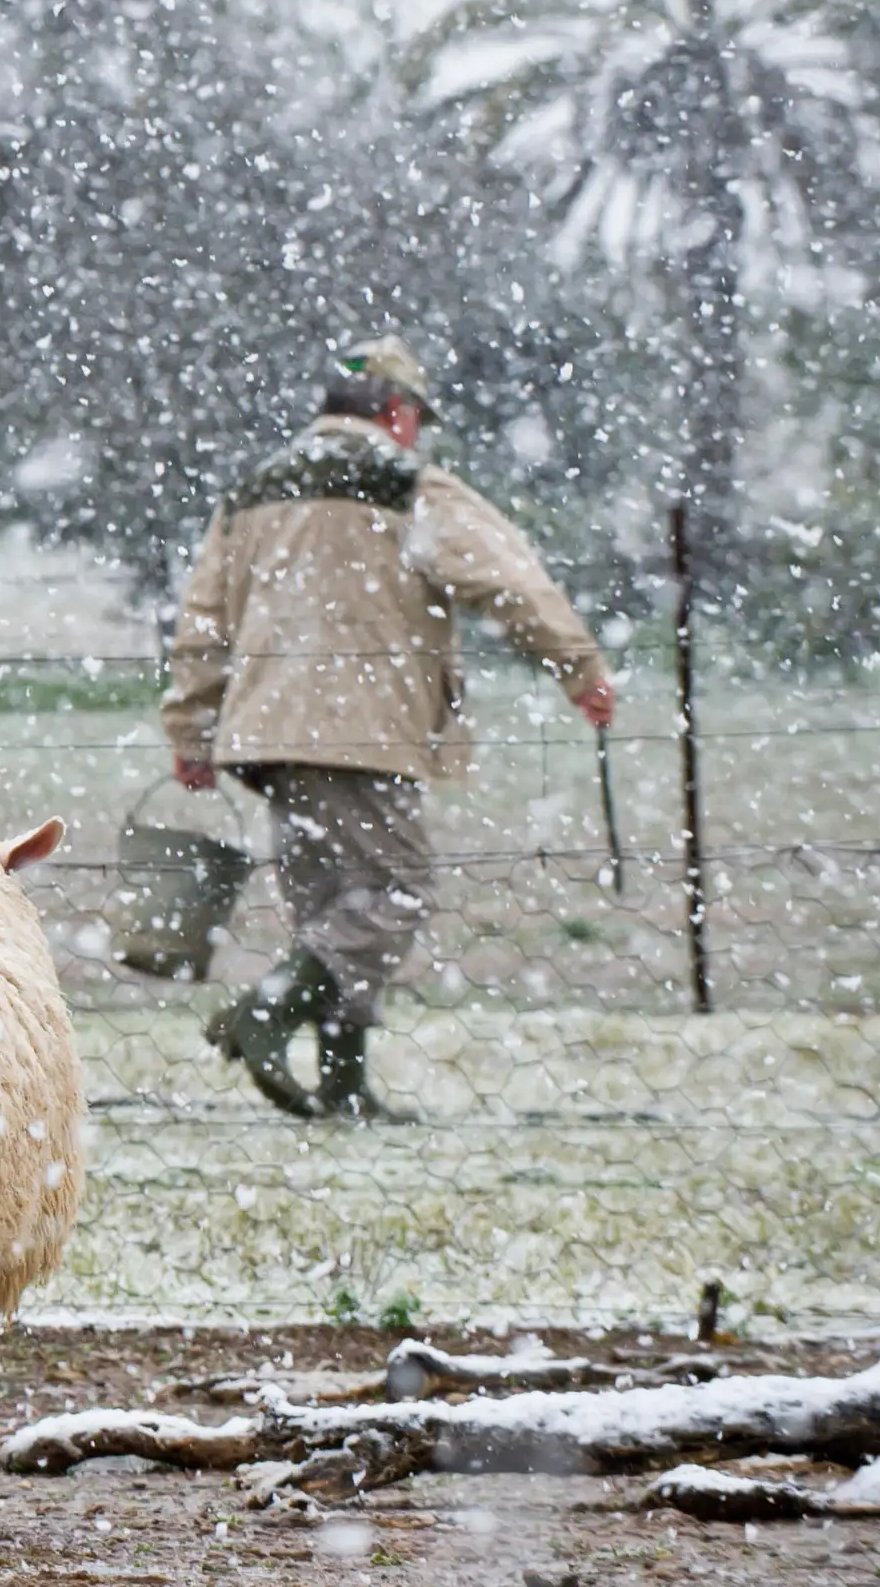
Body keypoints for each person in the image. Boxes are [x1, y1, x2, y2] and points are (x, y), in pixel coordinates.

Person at [161, 338, 616, 1121]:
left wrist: (192, 728)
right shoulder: (410, 484)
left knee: (329, 904)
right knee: (394, 893)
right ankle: (269, 1011)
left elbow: (203, 620)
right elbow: (507, 577)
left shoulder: (250, 492)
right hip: (363, 725)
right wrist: (577, 665)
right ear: (398, 413)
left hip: (266, 731)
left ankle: (344, 1088)